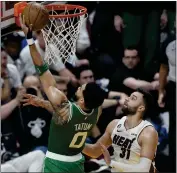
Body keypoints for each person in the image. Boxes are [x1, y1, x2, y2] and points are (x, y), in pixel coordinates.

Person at [19, 15, 106, 173]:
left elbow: (42, 69)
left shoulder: (64, 105)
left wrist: (30, 40)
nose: (80, 86)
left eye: (83, 88)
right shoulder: (96, 111)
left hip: (58, 164)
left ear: (82, 100)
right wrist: (43, 103)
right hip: (77, 163)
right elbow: (64, 116)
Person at [82, 89, 158, 172]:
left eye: (133, 98)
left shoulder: (148, 132)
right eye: (129, 96)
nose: (126, 99)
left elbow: (143, 169)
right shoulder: (114, 124)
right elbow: (95, 151)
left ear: (141, 108)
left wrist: (111, 163)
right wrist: (72, 142)